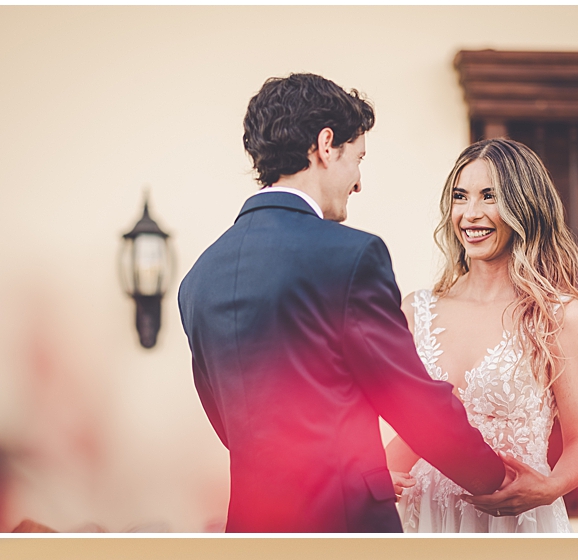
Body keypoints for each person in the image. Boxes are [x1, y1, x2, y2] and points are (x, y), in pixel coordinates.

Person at [177, 73, 535, 533]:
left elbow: (229, 422)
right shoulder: (348, 256)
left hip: (250, 531)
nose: (358, 182)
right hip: (343, 533)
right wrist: (492, 476)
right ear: (327, 145)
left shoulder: (200, 277)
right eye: (358, 158)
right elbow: (407, 397)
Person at [390, 138, 578, 532]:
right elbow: (410, 432)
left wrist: (547, 488)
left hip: (519, 521)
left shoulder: (559, 316)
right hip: (428, 522)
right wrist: (377, 476)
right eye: (460, 197)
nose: (470, 214)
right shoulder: (415, 312)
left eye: (489, 197)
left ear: (523, 205)